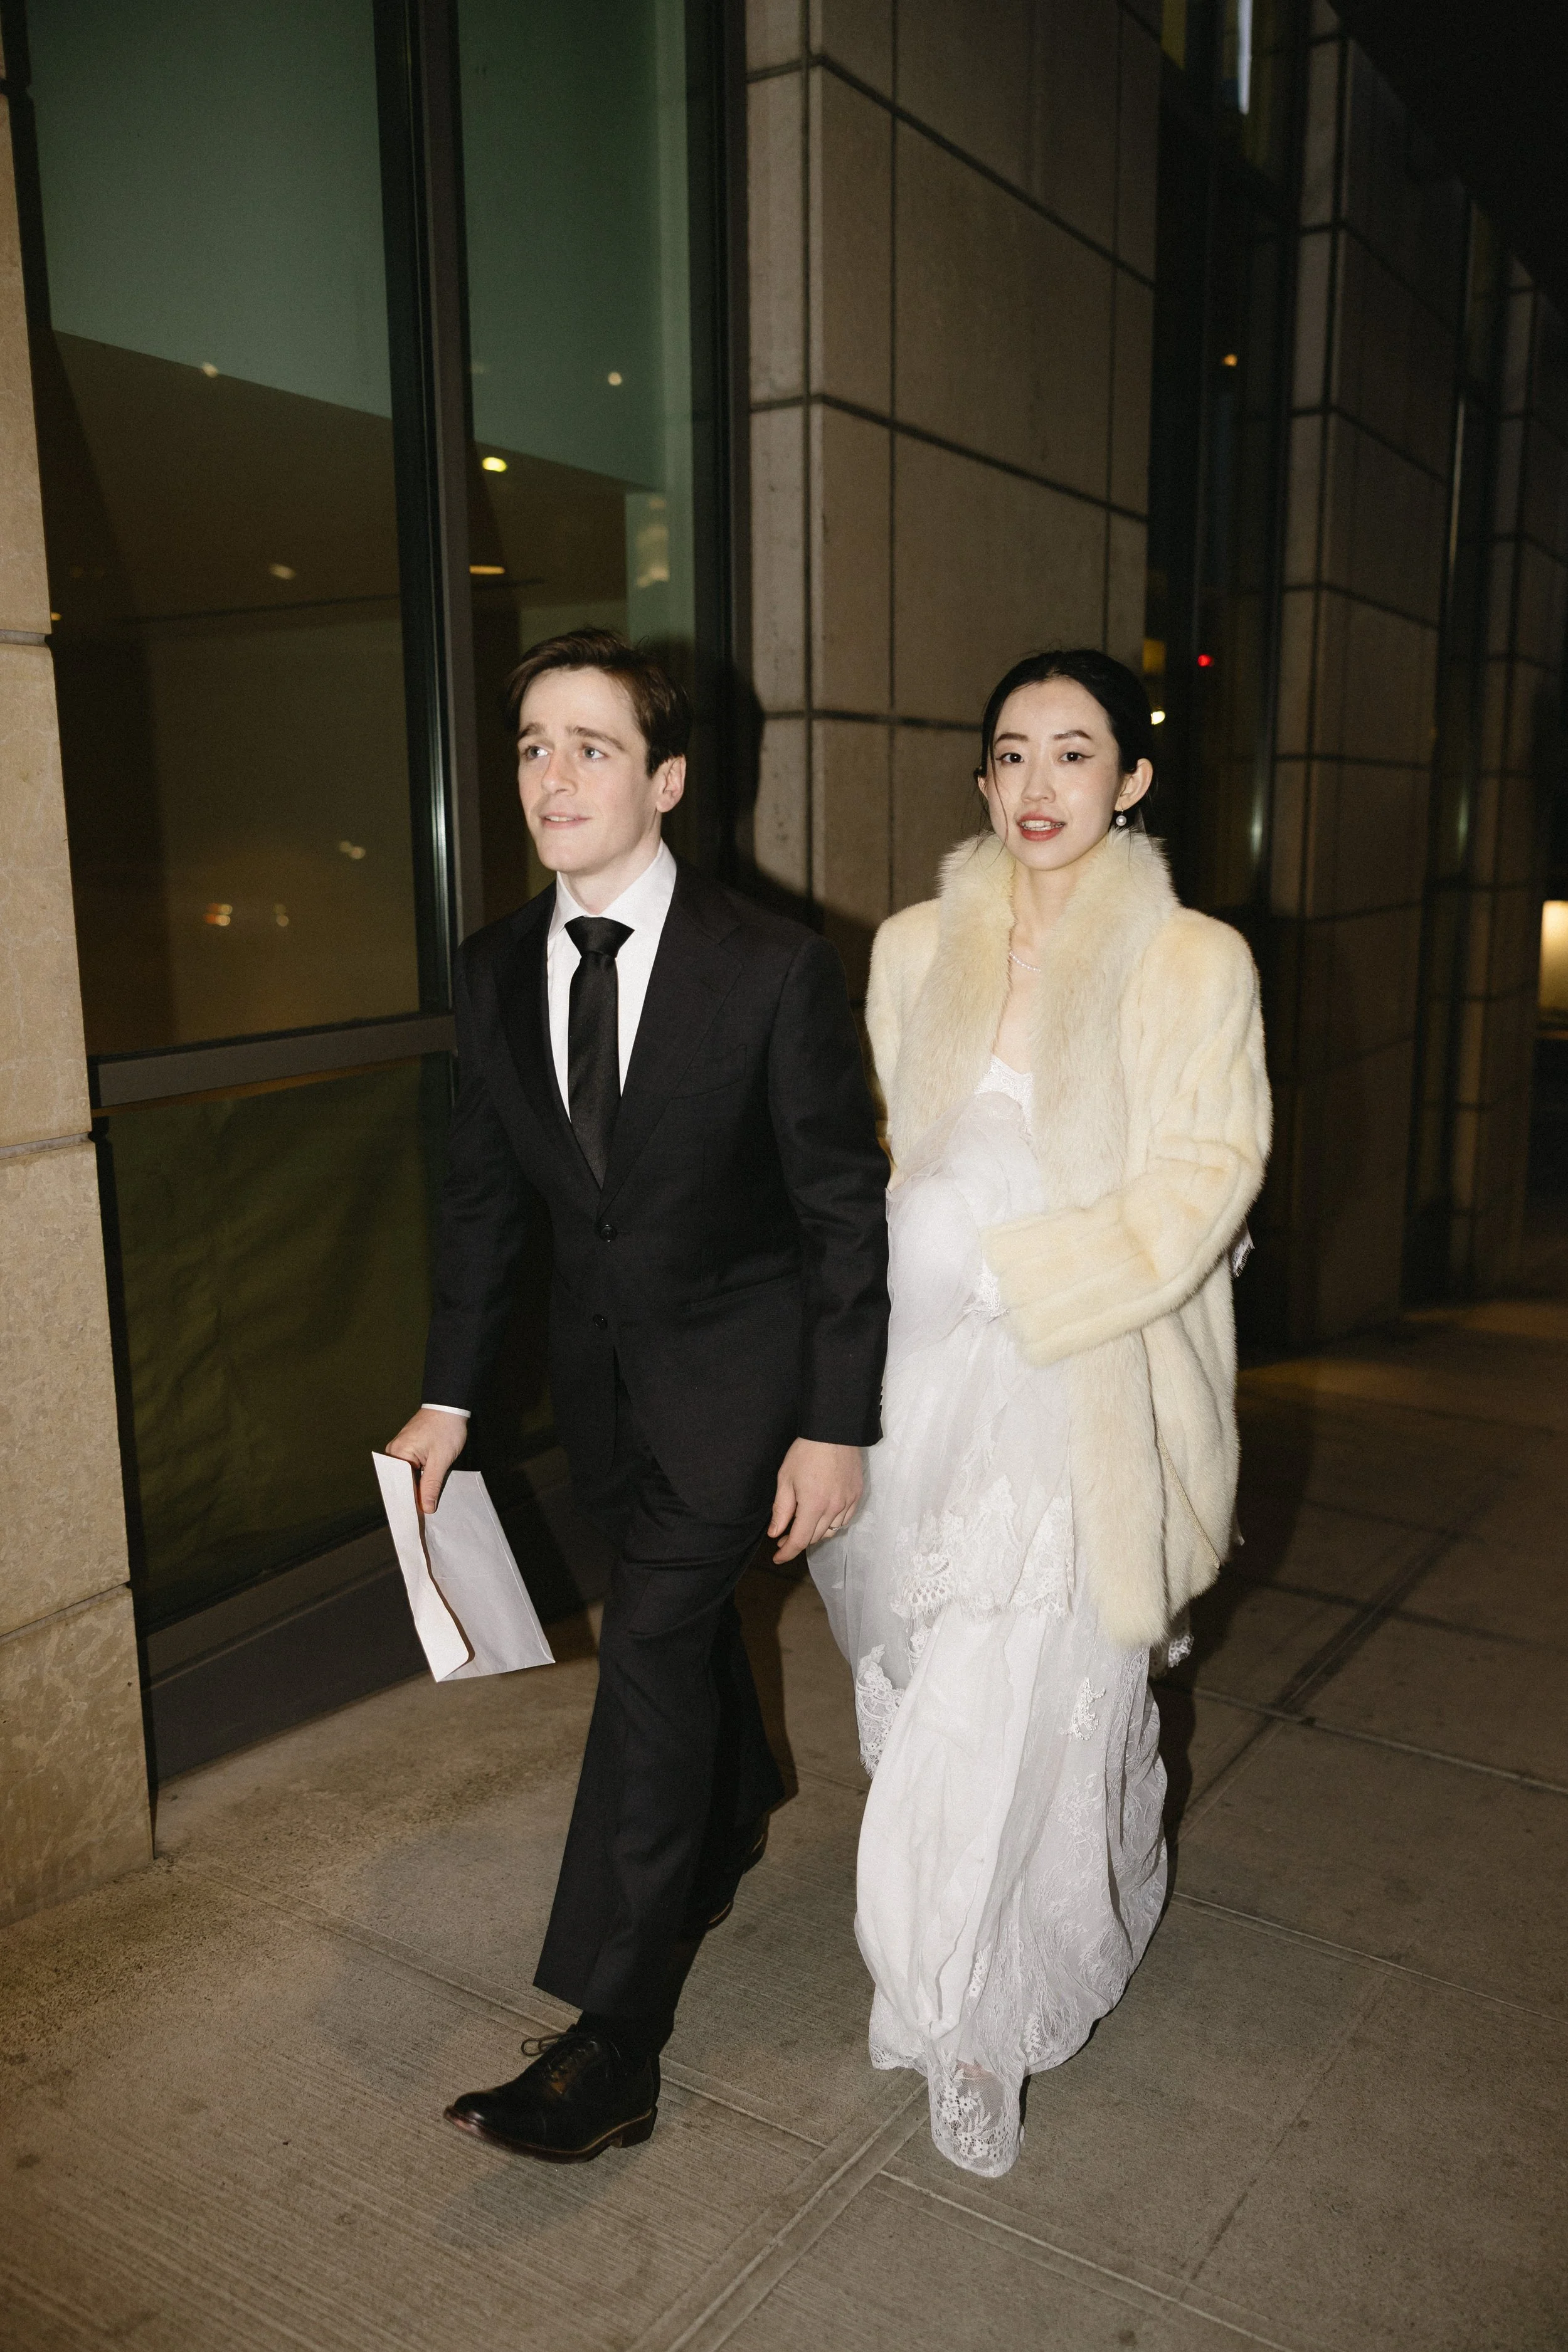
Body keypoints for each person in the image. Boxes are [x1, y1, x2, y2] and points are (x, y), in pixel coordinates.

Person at [386, 628, 889, 2164]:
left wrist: (835, 1423)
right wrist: (449, 1401)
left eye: (590, 747)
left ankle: (611, 2042)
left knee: (649, 1661)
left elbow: (839, 1213)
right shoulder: (492, 969)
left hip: (740, 1386)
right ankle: (735, 1803)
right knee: (682, 1652)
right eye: (532, 746)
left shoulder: (772, 966)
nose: (552, 776)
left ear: (665, 780)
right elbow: (485, 1204)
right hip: (600, 1399)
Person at [810, 648, 1270, 2178]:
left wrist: (1033, 1280)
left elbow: (1207, 1175)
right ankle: (984, 1938)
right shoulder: (912, 948)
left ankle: (967, 2012)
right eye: (1009, 753)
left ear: (1129, 780)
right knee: (933, 1672)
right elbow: (881, 1160)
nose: (1035, 785)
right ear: (980, 777)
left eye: (1072, 753)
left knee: (1011, 1691)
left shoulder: (1191, 961)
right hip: (924, 1383)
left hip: (1087, 1383)